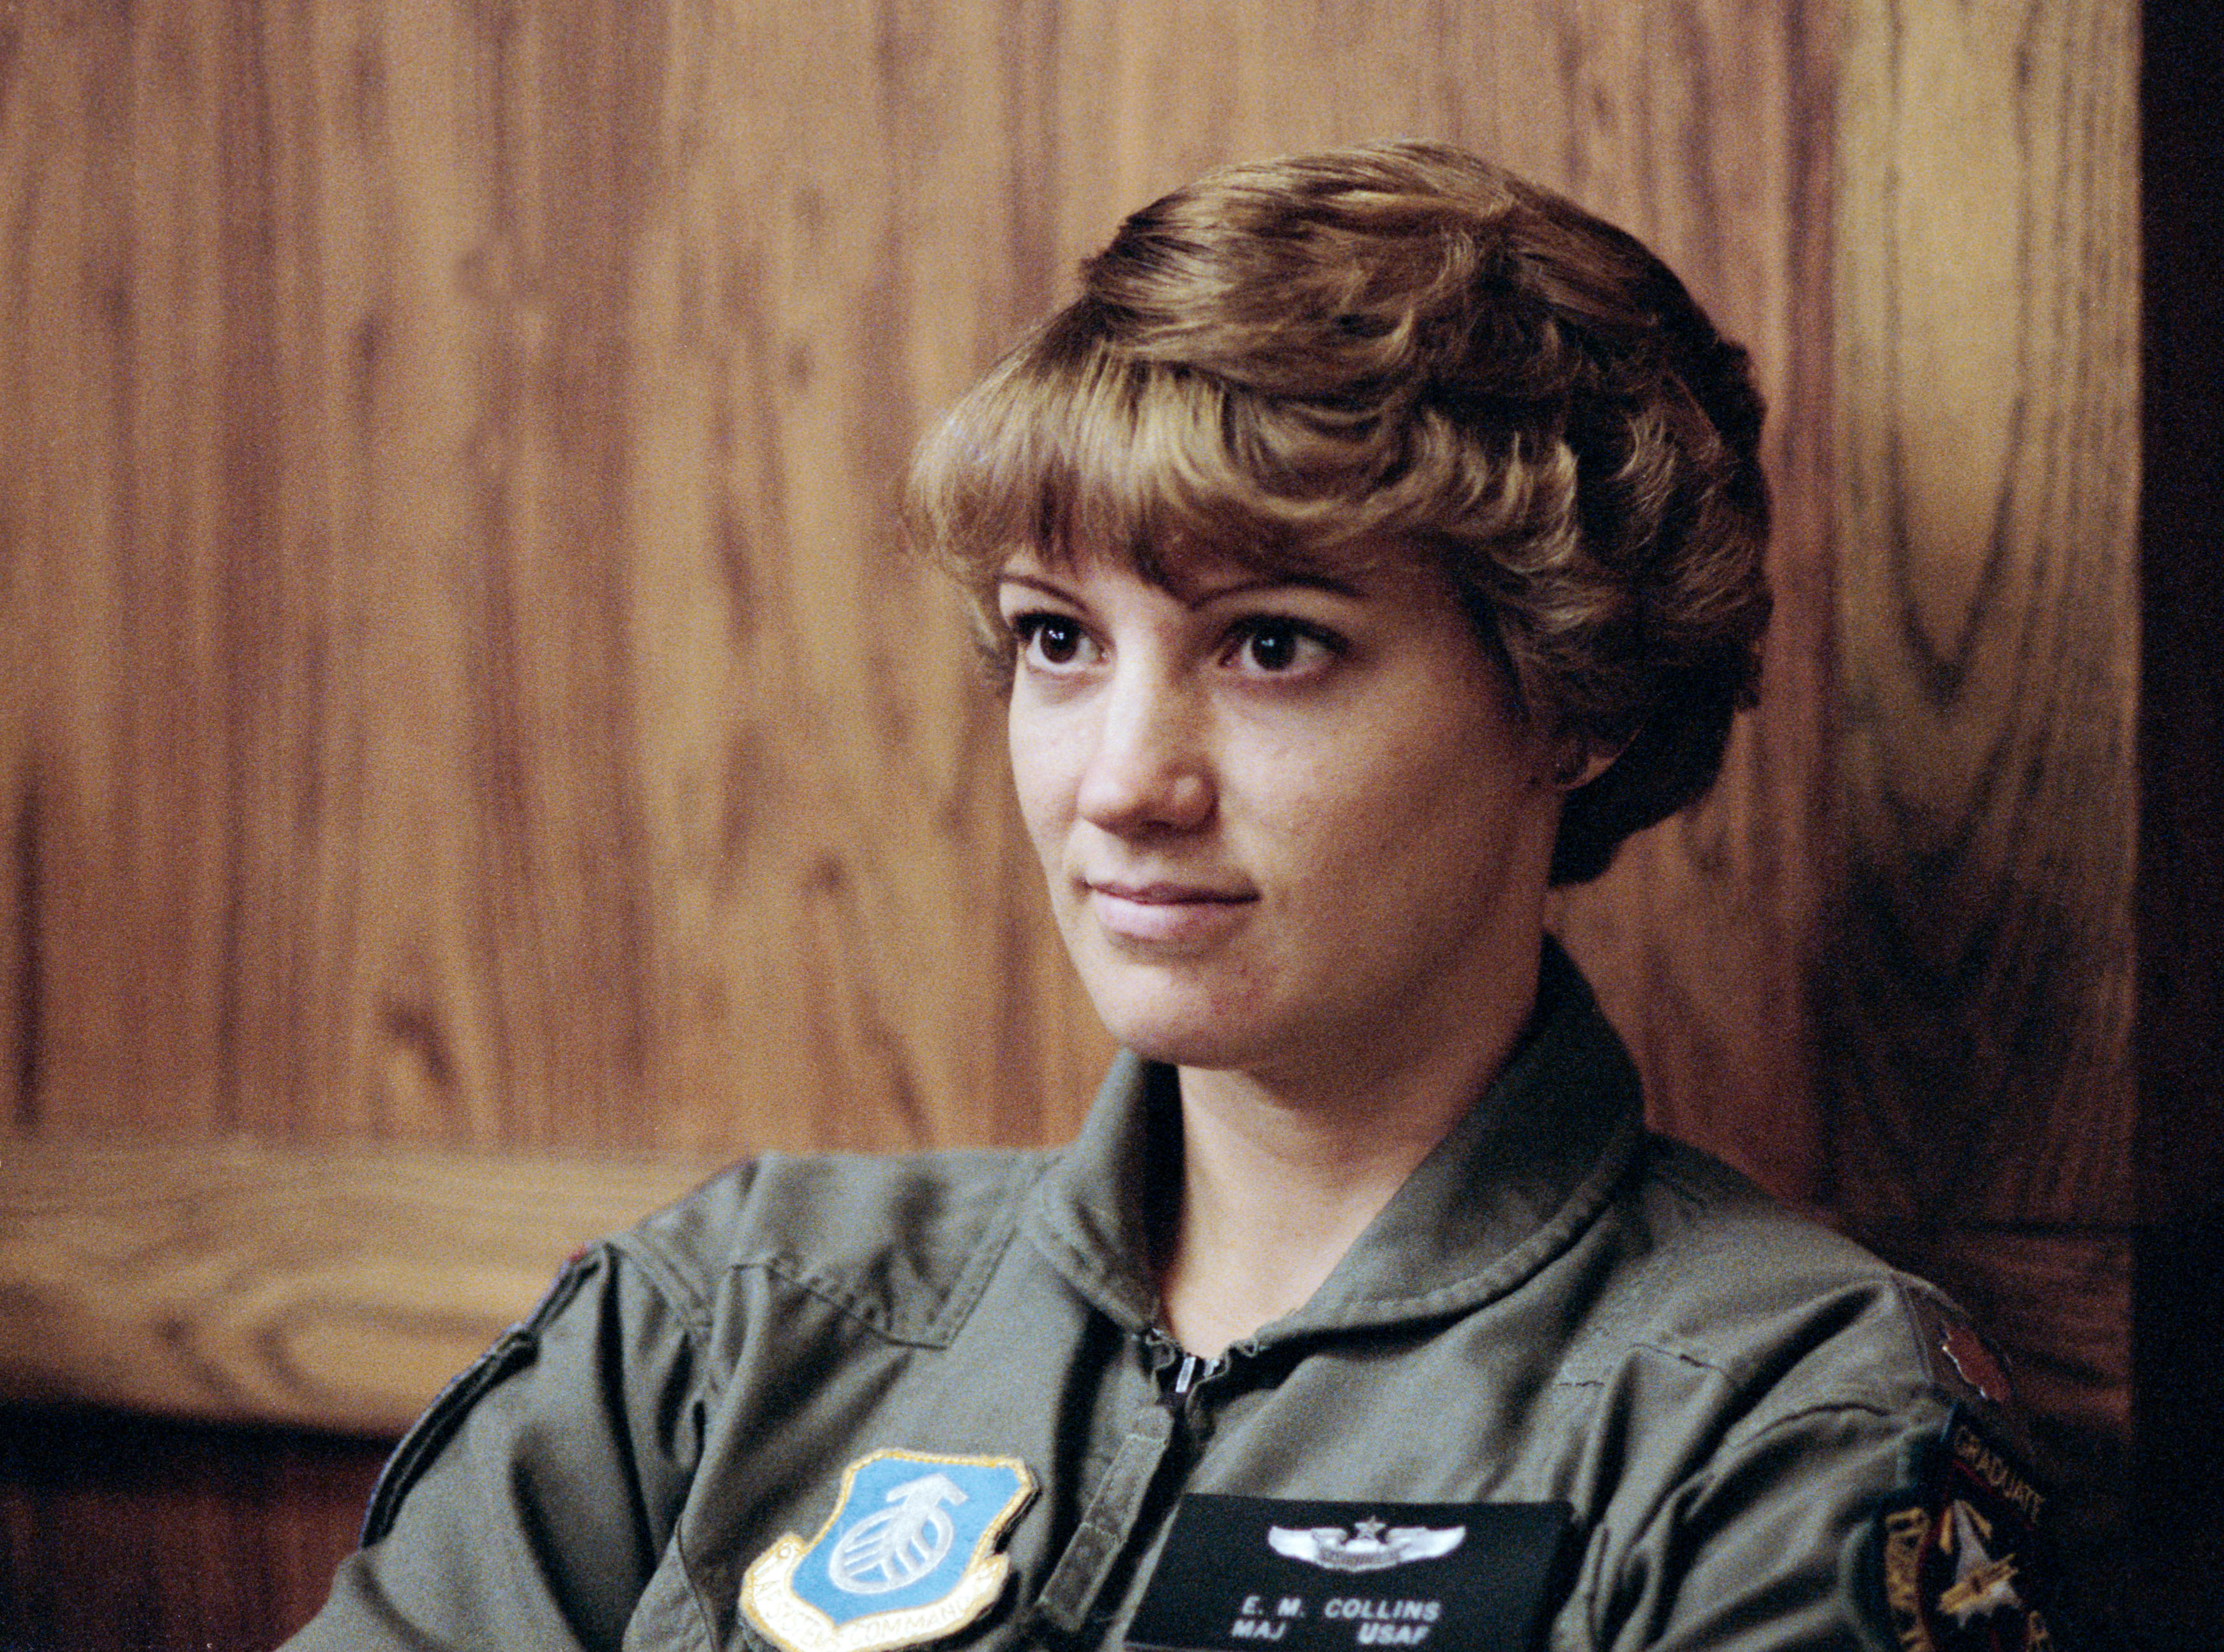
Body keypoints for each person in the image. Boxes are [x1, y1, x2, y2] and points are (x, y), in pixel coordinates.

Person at [286, 140, 2064, 1652]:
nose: (1121, 779)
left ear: (1573, 698)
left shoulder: (1773, 1422)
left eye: (1272, 643)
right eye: (1055, 638)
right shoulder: (720, 1323)